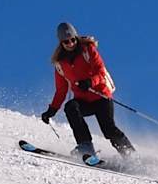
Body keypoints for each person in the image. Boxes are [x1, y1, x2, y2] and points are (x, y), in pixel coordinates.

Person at [41, 22, 135, 159]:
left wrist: (90, 82)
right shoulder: (60, 63)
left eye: (73, 39)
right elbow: (61, 90)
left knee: (108, 129)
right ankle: (85, 146)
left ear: (76, 38)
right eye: (66, 42)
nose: (70, 43)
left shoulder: (87, 50)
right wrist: (52, 110)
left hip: (101, 96)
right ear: (61, 43)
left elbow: (101, 71)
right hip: (83, 100)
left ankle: (130, 156)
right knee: (71, 107)